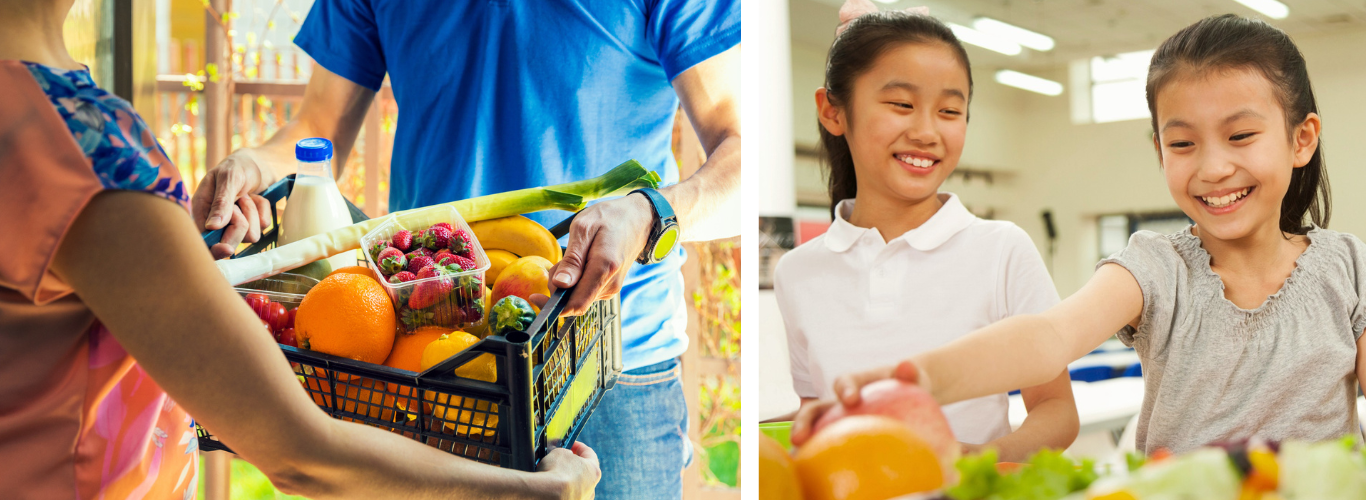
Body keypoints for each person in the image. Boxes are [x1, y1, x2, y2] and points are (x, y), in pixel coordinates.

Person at [0, 0, 599, 498]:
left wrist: (173, 266)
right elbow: (299, 452)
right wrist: (536, 493)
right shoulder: (87, 147)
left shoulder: (33, 122)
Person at [793, 14, 1366, 455]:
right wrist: (914, 378)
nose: (1213, 167)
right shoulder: (1154, 267)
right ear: (1159, 150)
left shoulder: (1345, 266)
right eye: (1182, 143)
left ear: (1300, 139)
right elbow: (1047, 337)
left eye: (1240, 136)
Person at [193, 1, 741, 497]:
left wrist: (652, 213)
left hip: (607, 369)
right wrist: (256, 166)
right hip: (431, 363)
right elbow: (317, 129)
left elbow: (740, 156)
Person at [769, 2, 1078, 462]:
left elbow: (1056, 409)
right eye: (902, 105)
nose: (927, 131)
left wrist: (983, 460)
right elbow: (815, 414)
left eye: (950, 111)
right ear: (832, 112)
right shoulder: (796, 272)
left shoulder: (1001, 250)